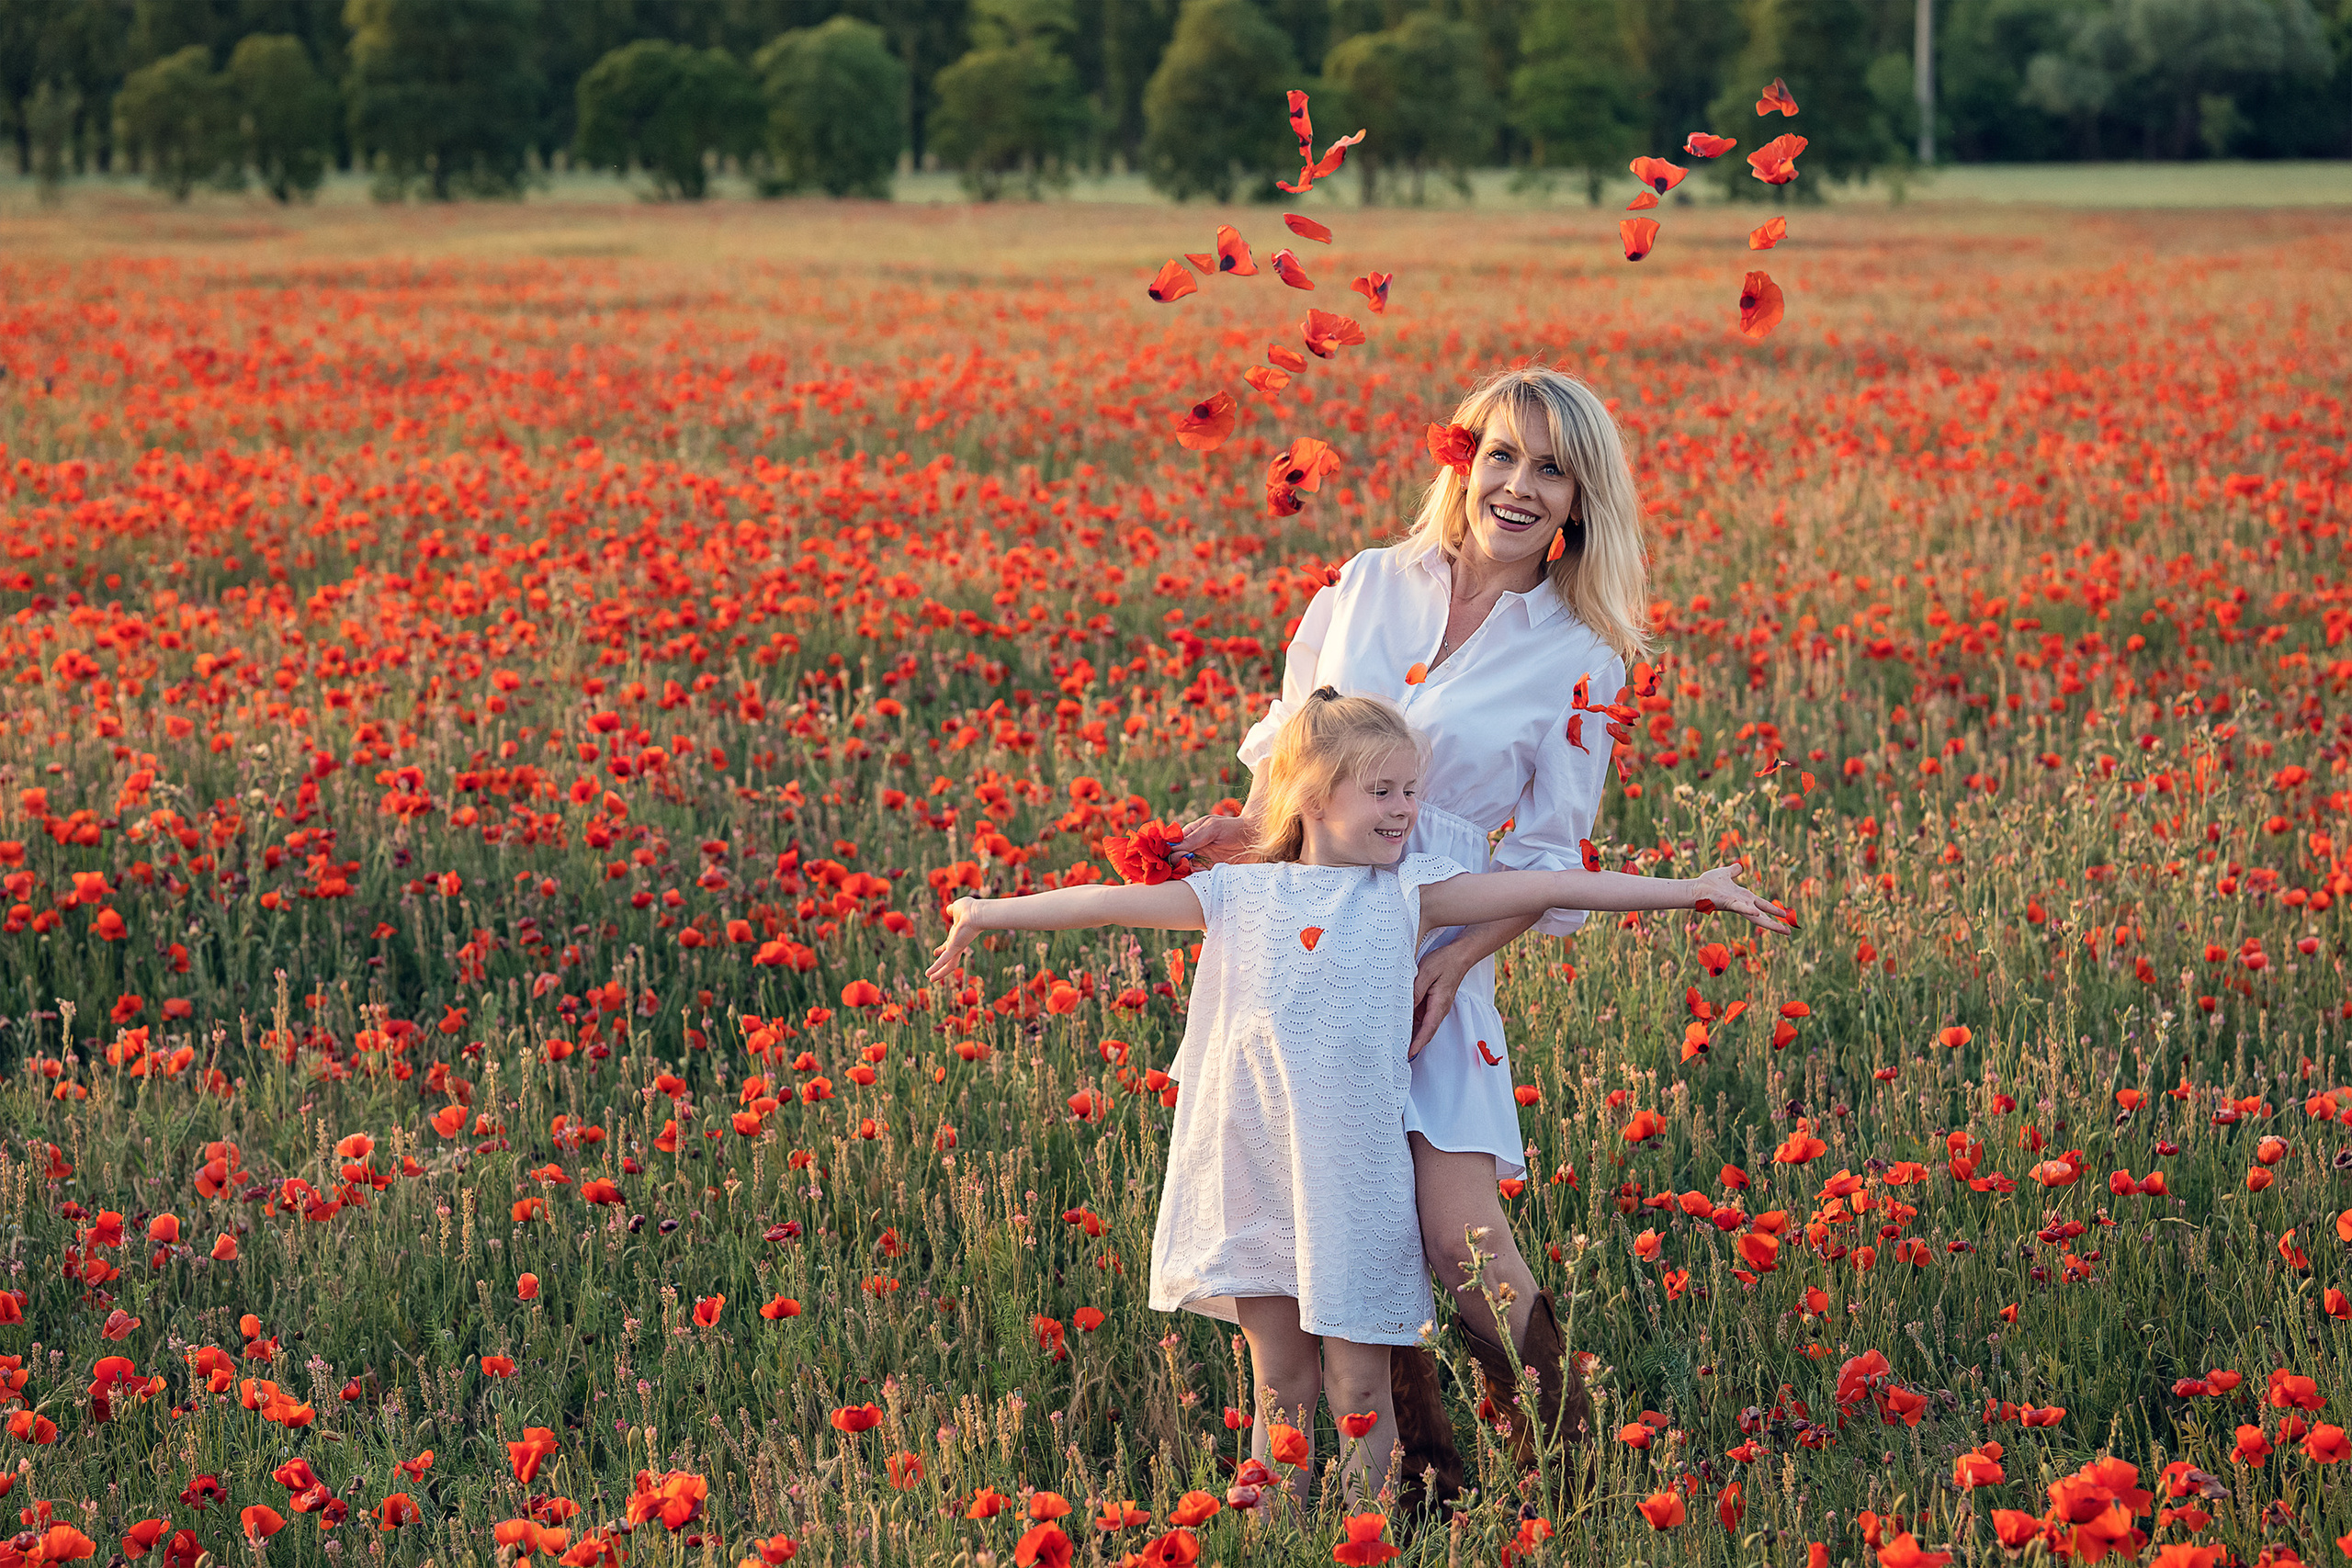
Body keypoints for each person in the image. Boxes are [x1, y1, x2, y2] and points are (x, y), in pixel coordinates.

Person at [929, 692, 1790, 1511]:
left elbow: (1556, 887)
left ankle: (1360, 1536)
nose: (1405, 809)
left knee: (1358, 1384)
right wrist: (984, 910)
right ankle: (1275, 1534)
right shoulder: (1234, 894)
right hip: (1251, 1174)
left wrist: (1692, 889)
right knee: (1280, 1382)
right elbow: (1098, 905)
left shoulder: (1410, 894)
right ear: (1309, 795)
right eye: (1382, 790)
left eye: (1412, 790)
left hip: (1355, 1183)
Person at [1177, 364, 1664, 1491]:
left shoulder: (1582, 657)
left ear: (1581, 500)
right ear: (1463, 460)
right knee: (1324, 1219)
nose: (1520, 485)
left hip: (1439, 944)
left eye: (1552, 469)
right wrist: (1243, 844)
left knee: (1461, 1244)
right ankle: (1419, 1476)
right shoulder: (1362, 582)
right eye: (1501, 455)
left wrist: (1452, 965)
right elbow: (1290, 757)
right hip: (1303, 939)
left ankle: (1571, 1473)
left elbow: (1549, 862)